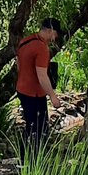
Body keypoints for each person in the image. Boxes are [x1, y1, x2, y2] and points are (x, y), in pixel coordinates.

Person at [15, 18, 64, 157]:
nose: (55, 38)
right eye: (55, 34)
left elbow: (18, 66)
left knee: (31, 126)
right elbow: (42, 76)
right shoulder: (42, 48)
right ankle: (32, 161)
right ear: (49, 31)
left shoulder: (25, 41)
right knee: (39, 129)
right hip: (34, 93)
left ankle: (25, 158)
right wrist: (53, 97)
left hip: (22, 89)